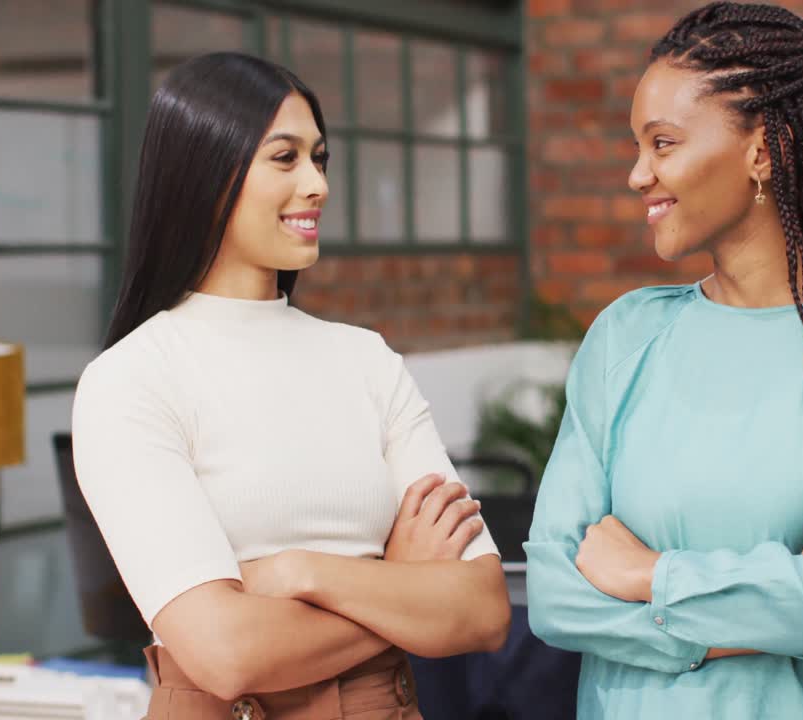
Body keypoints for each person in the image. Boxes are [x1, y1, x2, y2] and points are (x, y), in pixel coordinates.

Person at [524, 3, 803, 718]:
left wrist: (651, 575)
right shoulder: (624, 336)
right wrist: (792, 584)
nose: (638, 174)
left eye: (663, 144)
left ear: (764, 150)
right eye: (638, 147)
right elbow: (554, 597)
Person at [71, 52, 510, 720]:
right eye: (285, 158)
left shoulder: (366, 361)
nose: (317, 184)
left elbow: (482, 609)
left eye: (319, 158)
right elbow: (226, 655)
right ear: (207, 172)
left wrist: (302, 571)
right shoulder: (131, 379)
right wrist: (398, 584)